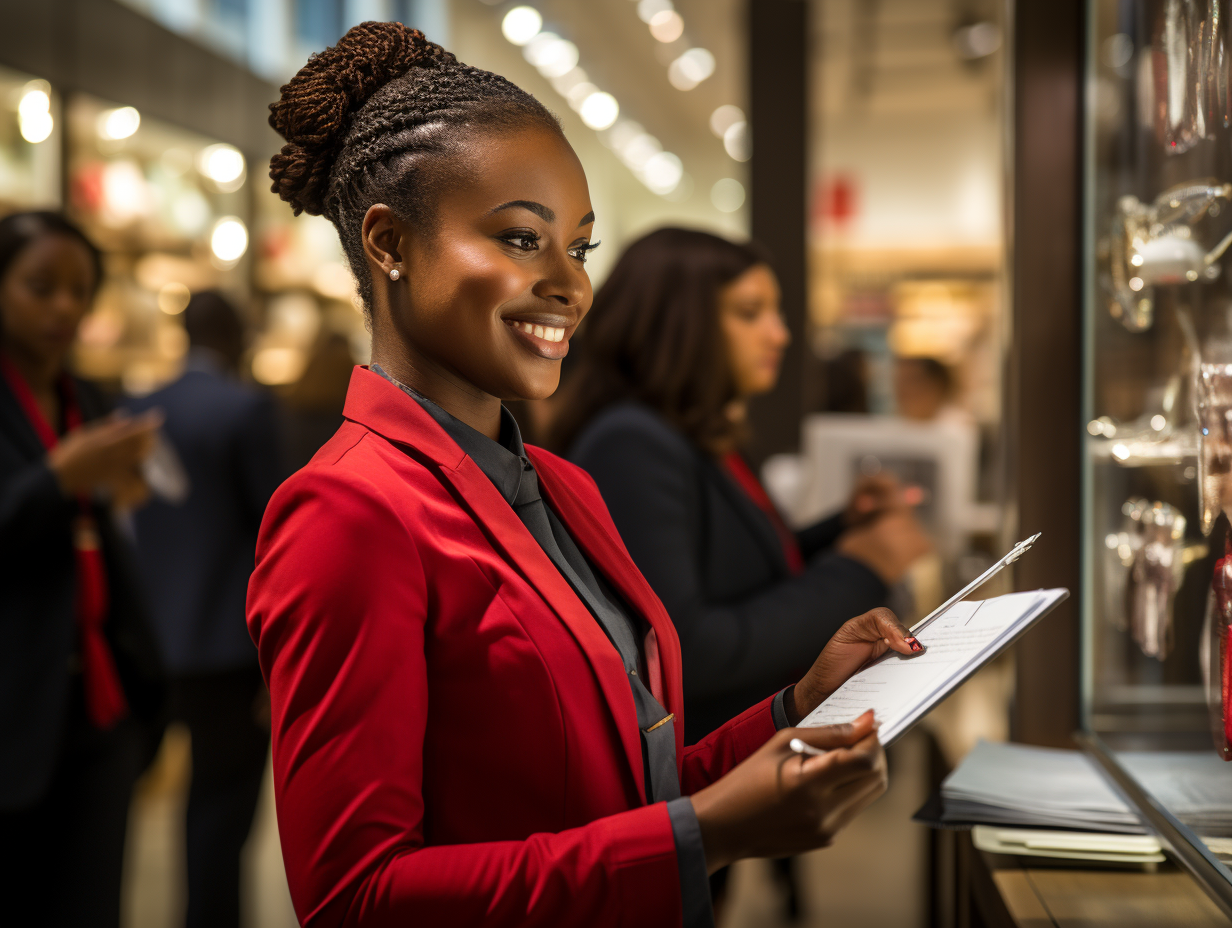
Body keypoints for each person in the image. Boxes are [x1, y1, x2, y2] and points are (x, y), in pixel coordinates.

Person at [248, 23, 925, 928]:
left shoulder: (563, 487)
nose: (572, 284)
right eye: (524, 241)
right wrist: (703, 839)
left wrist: (793, 707)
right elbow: (354, 900)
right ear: (389, 244)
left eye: (581, 247)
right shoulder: (346, 511)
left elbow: (622, 790)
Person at [552, 228, 932, 742]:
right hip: (701, 768)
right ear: (680, 324)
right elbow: (690, 648)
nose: (779, 334)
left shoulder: (693, 432)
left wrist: (842, 526)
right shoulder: (631, 442)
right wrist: (863, 566)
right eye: (750, 313)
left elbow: (737, 572)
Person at [0, 210, 165, 927]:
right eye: (41, 287)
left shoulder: (87, 398)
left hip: (101, 706)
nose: (64, 307)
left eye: (79, 290)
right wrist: (59, 480)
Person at [125, 290, 282, 928]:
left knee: (115, 815)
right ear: (237, 335)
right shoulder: (247, 410)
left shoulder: (136, 409)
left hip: (147, 640)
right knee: (218, 815)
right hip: (226, 643)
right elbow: (275, 535)